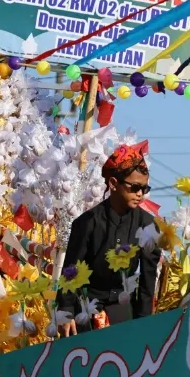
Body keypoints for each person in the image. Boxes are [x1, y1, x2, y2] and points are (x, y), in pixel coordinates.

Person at [57, 140, 159, 335]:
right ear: (113, 183)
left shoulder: (148, 226)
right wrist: (66, 311)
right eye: (135, 187)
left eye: (144, 189)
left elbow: (148, 281)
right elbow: (71, 271)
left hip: (124, 314)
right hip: (85, 311)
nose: (140, 194)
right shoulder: (87, 223)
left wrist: (143, 324)